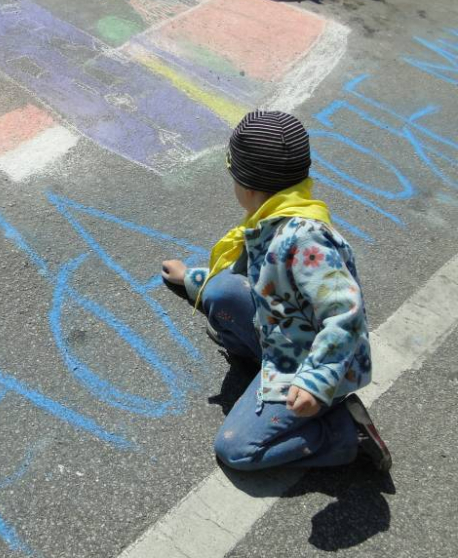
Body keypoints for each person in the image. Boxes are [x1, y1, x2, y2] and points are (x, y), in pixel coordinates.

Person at [161, 110, 392, 471]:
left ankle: (346, 436)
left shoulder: (305, 241)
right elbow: (243, 275)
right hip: (283, 332)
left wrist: (317, 383)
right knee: (219, 292)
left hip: (311, 363)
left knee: (237, 450)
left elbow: (346, 314)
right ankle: (259, 361)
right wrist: (190, 278)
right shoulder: (273, 215)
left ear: (246, 184)